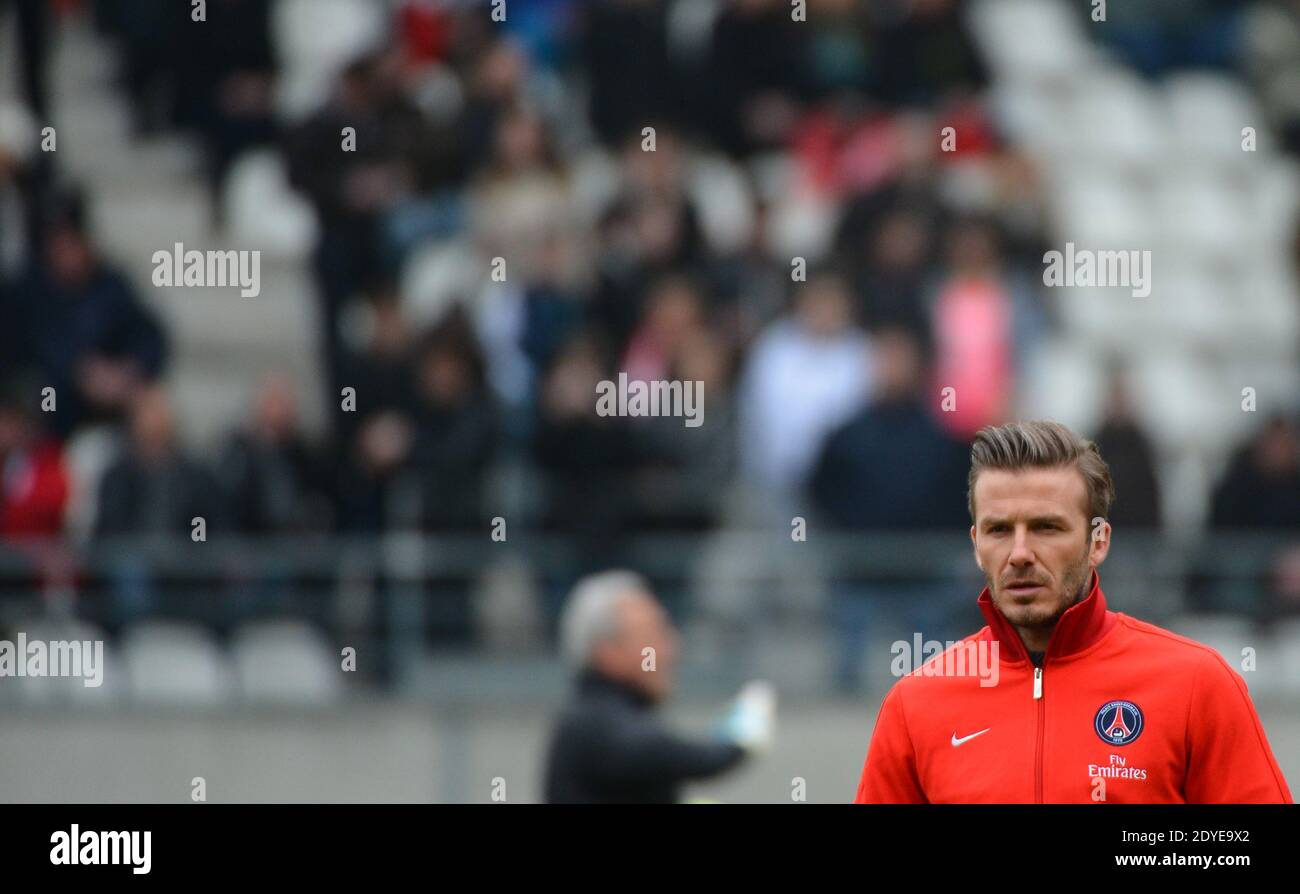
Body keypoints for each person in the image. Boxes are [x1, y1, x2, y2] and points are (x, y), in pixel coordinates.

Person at [855, 420, 1292, 803]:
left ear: (1098, 541)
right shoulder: (915, 706)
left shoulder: (1198, 685)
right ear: (976, 545)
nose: (1020, 553)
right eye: (1000, 530)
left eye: (1047, 527)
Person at [544, 570, 774, 804]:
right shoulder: (596, 723)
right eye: (652, 635)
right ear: (608, 652)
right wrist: (738, 737)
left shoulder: (599, 716)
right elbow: (675, 755)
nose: (670, 647)